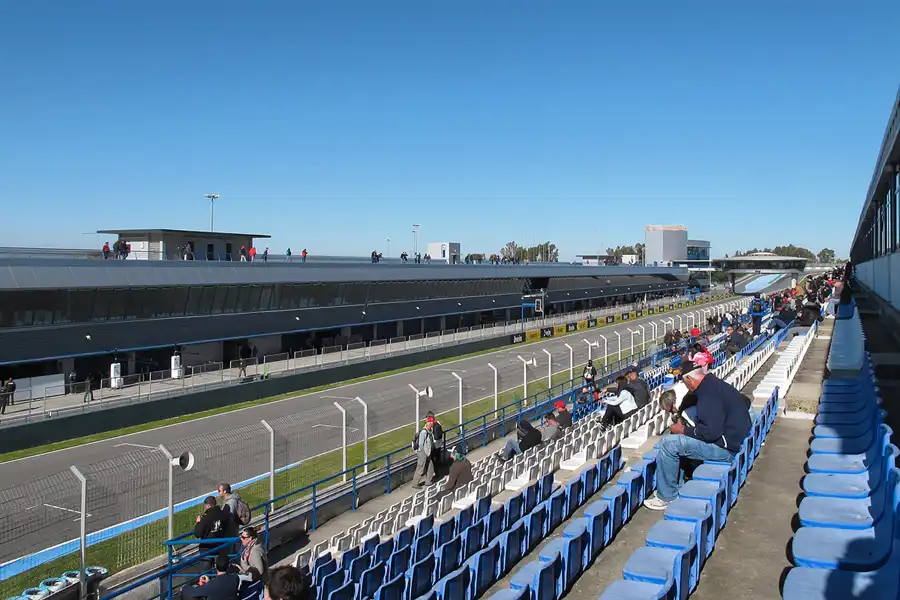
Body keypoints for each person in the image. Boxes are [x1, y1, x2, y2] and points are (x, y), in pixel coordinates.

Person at [644, 368, 751, 511]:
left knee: (668, 444)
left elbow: (710, 433)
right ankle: (677, 485)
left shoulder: (706, 396)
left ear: (689, 379)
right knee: (679, 442)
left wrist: (682, 430)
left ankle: (666, 497)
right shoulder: (715, 386)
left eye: (684, 382)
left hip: (727, 449)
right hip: (736, 440)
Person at [412, 419, 434, 488]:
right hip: (422, 452)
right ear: (428, 424)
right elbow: (421, 444)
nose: (432, 424)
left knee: (430, 466)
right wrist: (424, 453)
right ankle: (415, 484)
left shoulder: (430, 431)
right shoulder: (424, 432)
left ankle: (428, 481)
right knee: (421, 468)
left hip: (427, 452)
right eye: (431, 423)